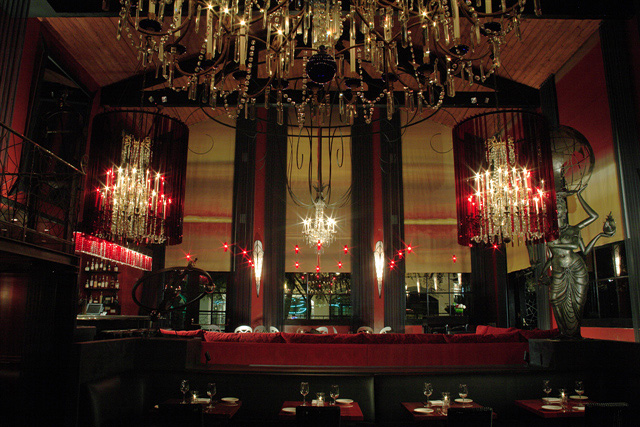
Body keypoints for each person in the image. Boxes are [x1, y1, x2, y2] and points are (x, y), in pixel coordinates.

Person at [538, 189, 616, 338]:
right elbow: (552, 257)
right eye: (556, 209)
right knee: (554, 299)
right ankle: (563, 333)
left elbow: (593, 218)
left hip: (576, 269)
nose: (558, 211)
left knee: (577, 305)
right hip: (559, 270)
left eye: (560, 208)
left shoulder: (574, 229)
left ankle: (574, 335)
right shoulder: (549, 232)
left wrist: (579, 195)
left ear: (565, 209)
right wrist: (543, 271)